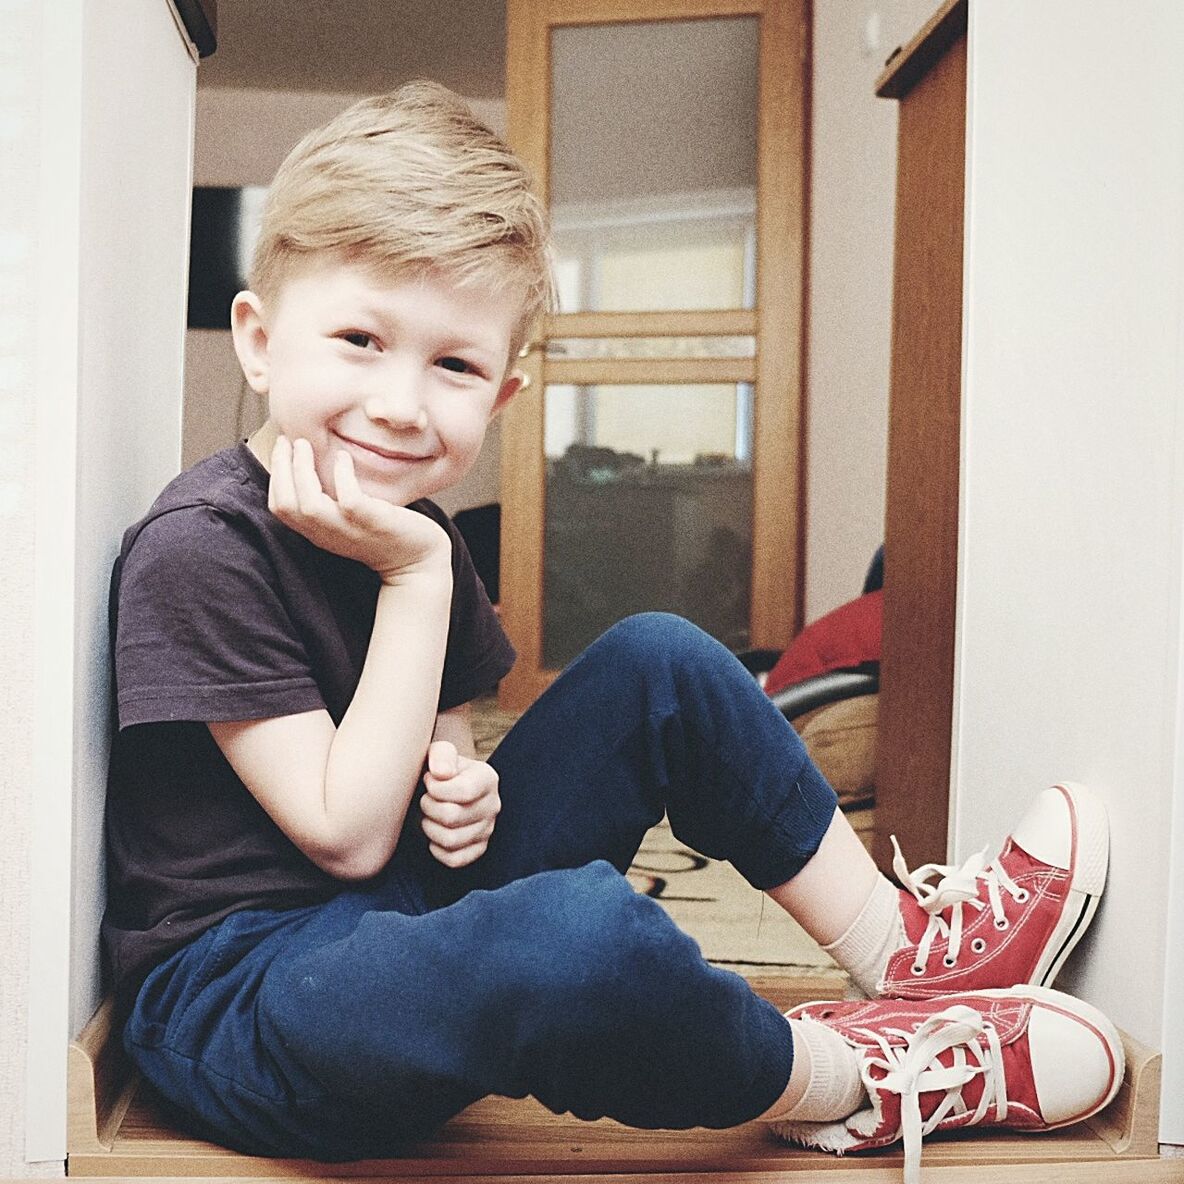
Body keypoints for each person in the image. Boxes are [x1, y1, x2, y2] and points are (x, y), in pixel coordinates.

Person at [102, 82, 1123, 1184]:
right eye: (358, 338)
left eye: (451, 364)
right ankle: (857, 1078)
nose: (401, 401)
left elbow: (429, 764)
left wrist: (461, 783)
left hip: (399, 931)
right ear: (259, 341)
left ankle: (908, 956)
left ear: (500, 395)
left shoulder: (415, 531)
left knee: (661, 657)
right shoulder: (206, 548)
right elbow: (345, 831)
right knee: (574, 936)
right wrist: (415, 578)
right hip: (253, 1007)